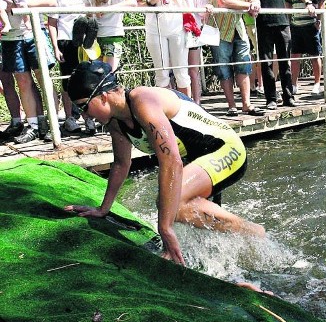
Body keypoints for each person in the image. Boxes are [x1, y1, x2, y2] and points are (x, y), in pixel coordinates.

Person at [65, 61, 266, 265]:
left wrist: (165, 228)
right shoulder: (115, 121)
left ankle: (253, 232)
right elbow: (120, 164)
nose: (84, 115)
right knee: (187, 218)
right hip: (198, 161)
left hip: (225, 149)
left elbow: (170, 162)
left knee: (170, 204)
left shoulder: (142, 100)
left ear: (103, 96)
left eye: (83, 107)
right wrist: (103, 209)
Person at [0, 0, 57, 144]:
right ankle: (33, 125)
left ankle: (52, 123)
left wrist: (22, 6)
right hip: (10, 37)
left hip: (34, 32)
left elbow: (51, 0)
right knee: (22, 82)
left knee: (44, 79)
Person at [254, 0, 314, 110]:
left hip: (282, 23)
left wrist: (308, 2)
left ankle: (289, 96)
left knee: (284, 62)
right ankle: (271, 99)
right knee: (266, 63)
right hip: (263, 23)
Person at [208, 0, 264, 117]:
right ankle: (231, 105)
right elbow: (221, 0)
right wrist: (249, 5)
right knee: (223, 67)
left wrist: (254, 4)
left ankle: (247, 104)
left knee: (244, 64)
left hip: (239, 26)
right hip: (220, 26)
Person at [47, 0, 90, 134]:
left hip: (85, 39)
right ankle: (70, 117)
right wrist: (55, 47)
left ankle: (89, 117)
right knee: (67, 81)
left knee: (87, 78)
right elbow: (52, 21)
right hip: (65, 38)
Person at [286, 0, 326, 95]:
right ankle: (294, 85)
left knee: (315, 54)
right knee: (295, 55)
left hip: (310, 23)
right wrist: (289, 20)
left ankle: (316, 84)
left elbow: (321, 1)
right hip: (296, 24)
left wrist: (319, 20)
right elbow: (288, 1)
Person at [177, 0, 208, 104]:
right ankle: (180, 103)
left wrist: (207, 8)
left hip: (193, 30)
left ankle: (197, 103)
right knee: (177, 70)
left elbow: (202, 10)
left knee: (193, 70)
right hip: (175, 30)